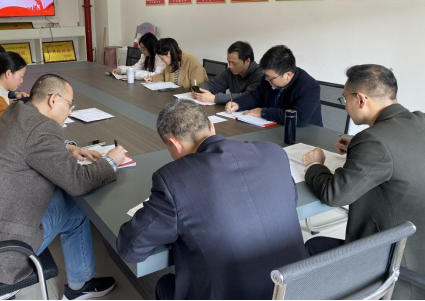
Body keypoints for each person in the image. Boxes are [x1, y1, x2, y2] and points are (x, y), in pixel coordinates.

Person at [0, 74, 125, 300]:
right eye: (69, 104)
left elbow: (27, 143)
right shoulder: (42, 128)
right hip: (2, 245)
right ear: (53, 100)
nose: (69, 111)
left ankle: (80, 282)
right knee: (76, 208)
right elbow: (79, 182)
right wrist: (111, 161)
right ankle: (80, 285)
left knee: (61, 194)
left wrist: (68, 147)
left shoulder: (17, 111)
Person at [117, 100, 307, 300]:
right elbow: (290, 200)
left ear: (174, 143)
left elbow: (131, 249)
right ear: (211, 126)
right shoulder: (273, 152)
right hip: (296, 290)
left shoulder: (173, 180)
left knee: (165, 284)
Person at [302, 65, 425, 300]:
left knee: (312, 246)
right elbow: (399, 154)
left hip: (396, 264)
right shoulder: (420, 120)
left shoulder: (373, 141)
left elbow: (333, 194)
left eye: (343, 98)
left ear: (360, 99)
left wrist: (314, 165)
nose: (344, 105)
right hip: (419, 246)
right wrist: (358, 149)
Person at [226, 45, 323, 127]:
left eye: (271, 78)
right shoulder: (268, 79)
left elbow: (298, 118)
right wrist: (237, 104)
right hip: (274, 128)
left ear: (288, 75)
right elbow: (255, 97)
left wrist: (263, 112)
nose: (266, 79)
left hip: (305, 136)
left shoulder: (309, 86)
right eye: (266, 75)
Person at [193, 41, 264, 104]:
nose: (230, 66)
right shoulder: (230, 71)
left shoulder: (260, 75)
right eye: (228, 62)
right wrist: (199, 91)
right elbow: (212, 85)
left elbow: (248, 96)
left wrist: (214, 98)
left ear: (248, 61)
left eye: (234, 63)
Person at [144, 38, 208, 89]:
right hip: (173, 95)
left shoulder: (192, 62)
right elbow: (164, 75)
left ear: (168, 54)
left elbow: (198, 88)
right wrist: (152, 78)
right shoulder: (171, 61)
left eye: (162, 58)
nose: (162, 60)